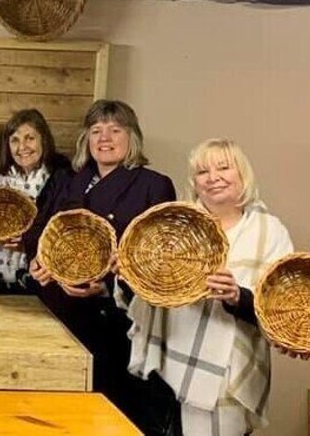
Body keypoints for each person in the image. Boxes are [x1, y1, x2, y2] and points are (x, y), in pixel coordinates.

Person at [121, 138, 294, 436]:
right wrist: (127, 276)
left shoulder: (270, 231)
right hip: (168, 362)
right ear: (194, 182)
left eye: (223, 168)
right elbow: (146, 293)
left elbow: (284, 306)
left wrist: (238, 296)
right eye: (202, 172)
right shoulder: (174, 225)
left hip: (229, 374)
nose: (212, 178)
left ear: (243, 175)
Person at [26, 99, 176, 435]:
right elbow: (38, 230)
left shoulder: (153, 184)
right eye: (96, 130)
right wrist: (39, 262)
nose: (104, 137)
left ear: (132, 137)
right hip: (60, 315)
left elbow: (161, 257)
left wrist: (108, 284)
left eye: (114, 130)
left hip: (118, 322)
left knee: (112, 416)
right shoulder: (67, 180)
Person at [0, 108, 72, 293]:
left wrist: (26, 241)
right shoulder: (0, 181)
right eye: (15, 140)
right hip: (2, 275)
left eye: (30, 138)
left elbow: (62, 227)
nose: (22, 147)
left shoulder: (60, 179)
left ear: (44, 140)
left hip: (42, 277)